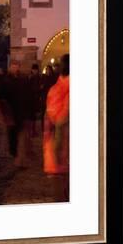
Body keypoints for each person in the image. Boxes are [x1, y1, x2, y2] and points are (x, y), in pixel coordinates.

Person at [43, 54, 70, 200]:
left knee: (61, 183)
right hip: (56, 139)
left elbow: (62, 115)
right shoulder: (58, 86)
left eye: (59, 64)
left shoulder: (62, 87)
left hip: (61, 140)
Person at [1, 61, 33, 167]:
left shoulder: (22, 80)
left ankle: (20, 158)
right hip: (11, 112)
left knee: (21, 134)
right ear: (10, 67)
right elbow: (3, 96)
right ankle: (15, 154)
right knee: (12, 134)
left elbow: (27, 95)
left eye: (16, 66)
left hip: (20, 111)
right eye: (13, 66)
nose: (15, 68)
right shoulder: (6, 80)